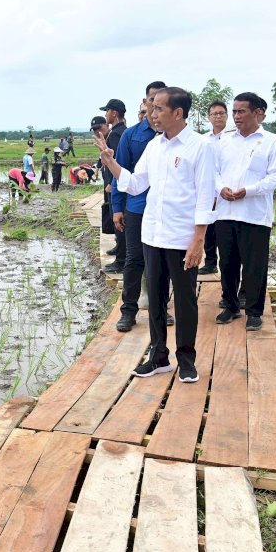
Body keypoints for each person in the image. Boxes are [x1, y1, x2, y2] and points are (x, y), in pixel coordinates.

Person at [97, 87, 215, 383]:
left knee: (186, 302)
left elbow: (205, 197)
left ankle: (186, 359)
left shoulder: (200, 147)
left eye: (159, 108)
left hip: (182, 238)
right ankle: (159, 356)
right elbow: (136, 184)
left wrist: (198, 241)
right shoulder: (155, 146)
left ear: (178, 113)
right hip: (152, 235)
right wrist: (111, 162)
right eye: (151, 107)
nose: (153, 113)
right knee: (157, 298)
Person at [214, 92, 276, 331]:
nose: (235, 116)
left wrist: (249, 190)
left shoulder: (271, 141)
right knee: (228, 264)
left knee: (255, 265)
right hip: (225, 213)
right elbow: (213, 171)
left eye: (241, 111)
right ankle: (231, 306)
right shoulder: (224, 140)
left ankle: (254, 312)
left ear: (257, 113)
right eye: (234, 111)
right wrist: (220, 187)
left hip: (254, 214)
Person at [110, 81, 168, 331]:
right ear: (145, 103)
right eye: (151, 101)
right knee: (134, 260)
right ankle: (128, 311)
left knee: (163, 261)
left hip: (166, 209)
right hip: (137, 207)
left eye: (161, 103)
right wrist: (117, 208)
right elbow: (119, 173)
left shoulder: (172, 138)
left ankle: (160, 309)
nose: (155, 108)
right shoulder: (131, 136)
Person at [200, 101, 229, 275]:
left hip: (227, 191)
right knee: (208, 228)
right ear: (209, 117)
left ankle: (227, 266)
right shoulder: (203, 140)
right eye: (214, 114)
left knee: (224, 231)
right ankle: (210, 262)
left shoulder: (233, 137)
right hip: (209, 191)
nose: (218, 116)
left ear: (227, 115)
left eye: (221, 113)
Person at [100, 99, 128, 274]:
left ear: (115, 113)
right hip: (116, 184)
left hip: (116, 185)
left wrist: (112, 183)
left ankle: (121, 261)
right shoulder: (119, 132)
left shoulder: (118, 134)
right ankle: (120, 254)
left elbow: (118, 161)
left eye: (107, 111)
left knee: (120, 224)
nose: (106, 115)